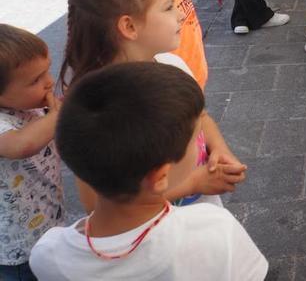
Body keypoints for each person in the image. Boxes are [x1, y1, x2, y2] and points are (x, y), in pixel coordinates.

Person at [29, 62, 268, 280]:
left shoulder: (47, 254)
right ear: (160, 177)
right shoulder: (214, 229)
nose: (200, 146)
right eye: (197, 139)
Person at [59, 0, 246, 211]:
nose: (180, 14)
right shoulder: (97, 107)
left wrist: (219, 150)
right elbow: (96, 205)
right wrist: (191, 184)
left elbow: (200, 116)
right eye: (169, 7)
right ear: (129, 26)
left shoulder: (172, 64)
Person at [0, 25, 64, 281]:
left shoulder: (30, 107)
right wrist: (58, 116)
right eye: (35, 80)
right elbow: (22, 145)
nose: (49, 82)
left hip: (47, 223)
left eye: (47, 70)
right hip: (16, 251)